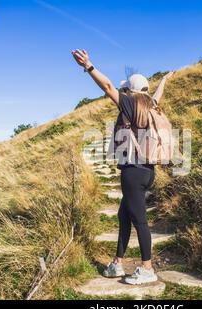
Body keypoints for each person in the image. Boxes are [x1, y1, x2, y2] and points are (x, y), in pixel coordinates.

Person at [72, 49, 174, 285]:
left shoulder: (129, 103)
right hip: (148, 172)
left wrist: (88, 66)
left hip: (133, 172)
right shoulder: (151, 105)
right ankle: (117, 263)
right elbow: (157, 93)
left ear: (130, 90)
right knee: (123, 215)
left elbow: (107, 86)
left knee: (139, 219)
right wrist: (165, 80)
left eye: (126, 89)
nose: (123, 92)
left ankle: (147, 268)